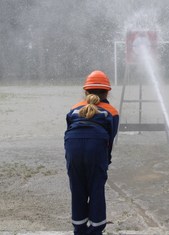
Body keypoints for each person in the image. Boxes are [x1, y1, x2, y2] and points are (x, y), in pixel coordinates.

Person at [64, 70, 119, 235]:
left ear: (86, 91)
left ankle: (79, 229)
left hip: (73, 148)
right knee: (96, 189)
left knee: (78, 189)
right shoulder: (112, 111)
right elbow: (110, 140)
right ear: (107, 91)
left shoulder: (73, 109)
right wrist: (105, 161)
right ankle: (95, 230)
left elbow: (69, 133)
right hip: (96, 148)